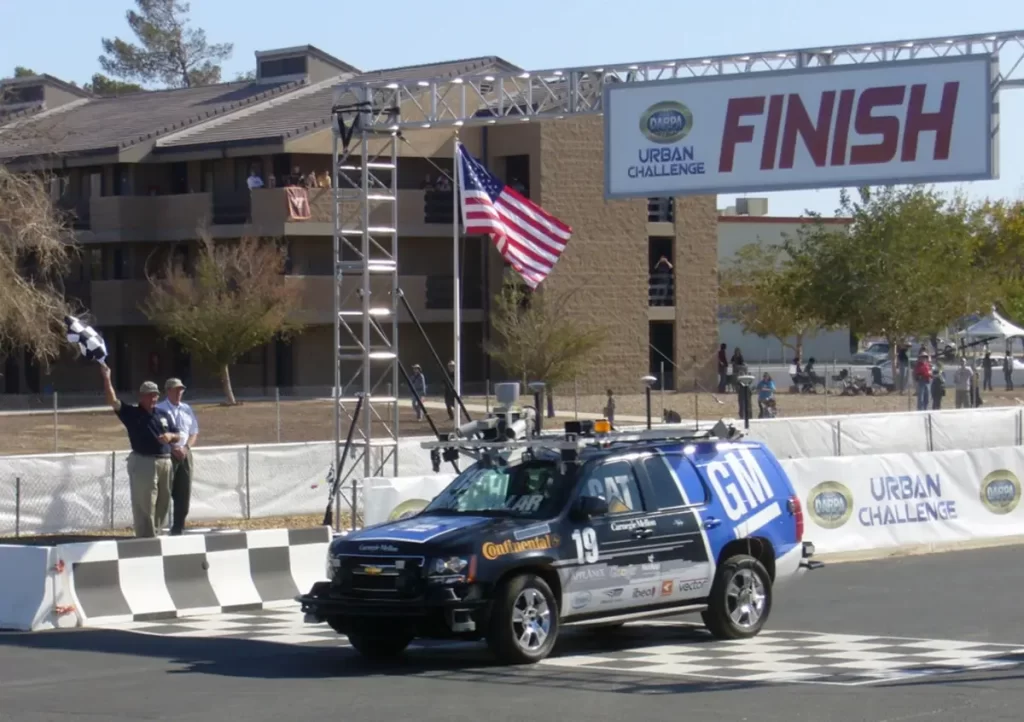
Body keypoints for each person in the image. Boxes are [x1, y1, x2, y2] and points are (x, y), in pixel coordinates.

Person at [100, 365, 181, 538]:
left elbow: (178, 435)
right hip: (145, 461)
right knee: (146, 502)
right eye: (150, 395)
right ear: (141, 396)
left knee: (163, 501)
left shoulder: (163, 414)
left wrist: (170, 436)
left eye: (156, 395)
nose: (154, 398)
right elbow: (113, 401)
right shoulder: (132, 413)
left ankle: (156, 532)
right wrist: (107, 378)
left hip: (165, 461)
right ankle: (146, 537)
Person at [156, 378, 199, 536]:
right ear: (168, 391)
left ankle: (178, 528)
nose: (179, 393)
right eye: (176, 390)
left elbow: (194, 432)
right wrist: (173, 448)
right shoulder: (160, 409)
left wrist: (186, 447)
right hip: (167, 454)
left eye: (181, 390)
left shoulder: (187, 409)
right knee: (164, 492)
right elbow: (158, 433)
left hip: (185, 454)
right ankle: (157, 528)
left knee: (184, 492)